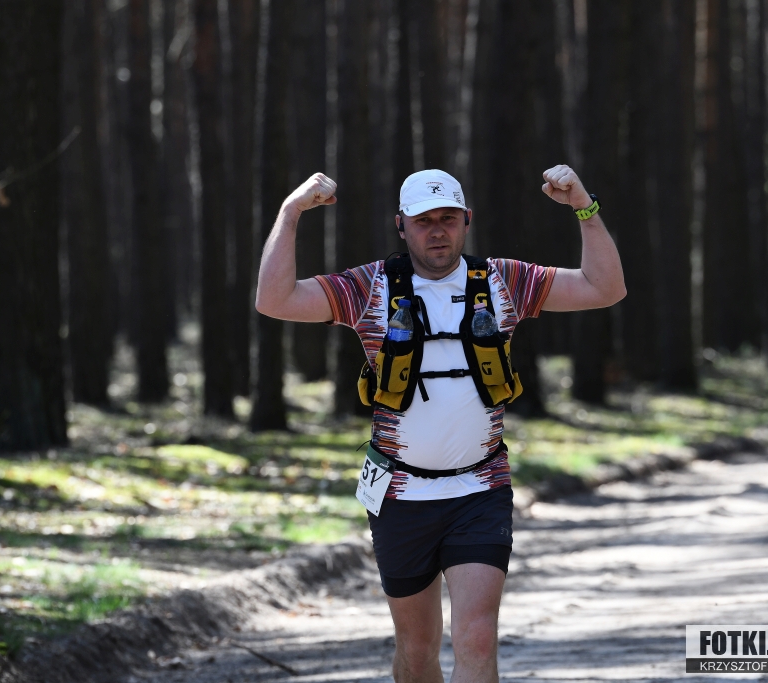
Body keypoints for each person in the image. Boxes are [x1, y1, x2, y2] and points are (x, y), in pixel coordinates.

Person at [255, 166, 625, 682]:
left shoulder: (501, 281)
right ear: (401, 225)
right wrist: (290, 211)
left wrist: (584, 207)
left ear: (466, 220)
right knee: (417, 649)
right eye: (423, 221)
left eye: (448, 219)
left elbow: (604, 287)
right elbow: (274, 300)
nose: (437, 231)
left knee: (477, 636)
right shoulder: (369, 287)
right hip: (399, 496)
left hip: (481, 490)